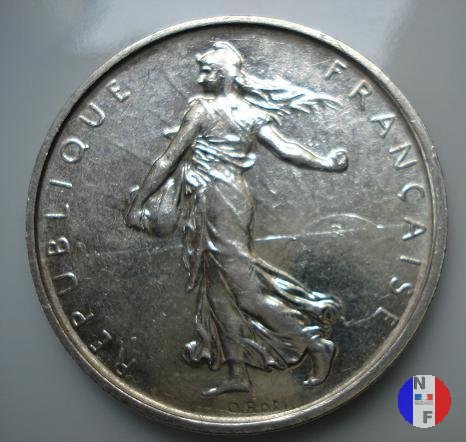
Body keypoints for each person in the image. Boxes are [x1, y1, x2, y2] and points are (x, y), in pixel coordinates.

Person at [125, 41, 348, 397]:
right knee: (217, 291)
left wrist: (139, 202)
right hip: (216, 199)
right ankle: (237, 372)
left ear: (224, 74)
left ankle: (314, 344)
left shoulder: (203, 110)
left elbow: (168, 158)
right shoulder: (249, 112)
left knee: (245, 292)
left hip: (219, 200)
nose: (200, 78)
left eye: (207, 71)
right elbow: (287, 148)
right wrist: (324, 162)